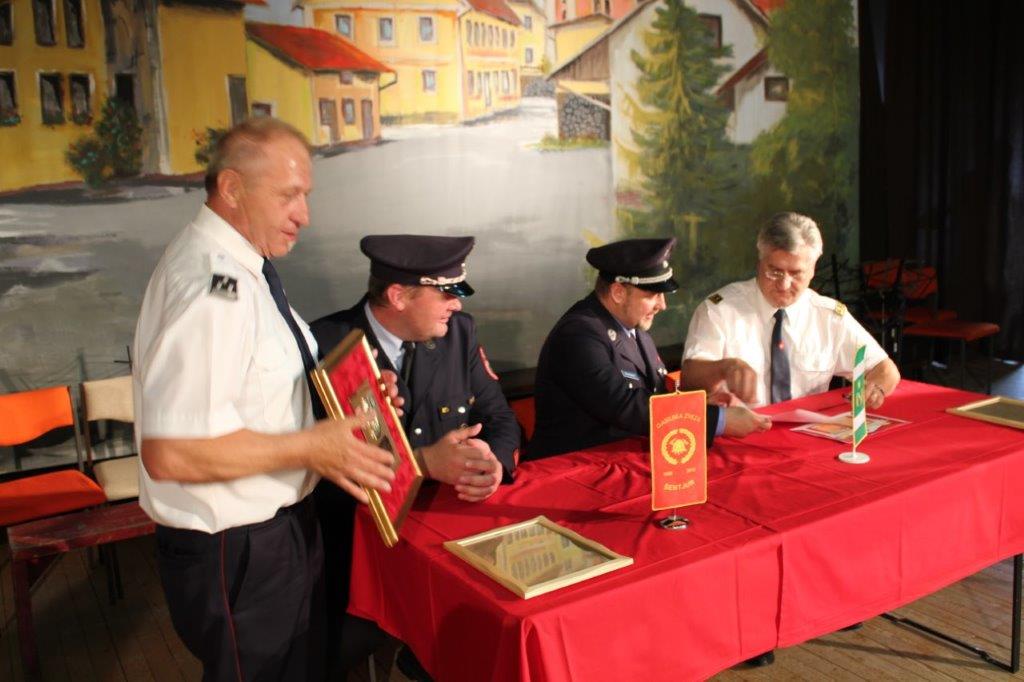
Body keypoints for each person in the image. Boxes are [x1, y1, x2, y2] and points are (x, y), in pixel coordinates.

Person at [132, 118, 397, 681]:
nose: (304, 215)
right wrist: (313, 447)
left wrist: (354, 405)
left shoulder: (244, 269)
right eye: (288, 195)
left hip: (276, 534)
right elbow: (172, 453)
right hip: (238, 550)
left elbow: (263, 393)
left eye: (306, 195)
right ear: (232, 188)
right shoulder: (212, 286)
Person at [310, 234, 520, 678]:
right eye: (446, 294)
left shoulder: (458, 333)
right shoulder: (327, 345)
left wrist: (493, 464)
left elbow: (500, 417)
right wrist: (422, 463)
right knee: (331, 659)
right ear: (398, 296)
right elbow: (324, 469)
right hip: (361, 553)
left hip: (445, 541)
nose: (456, 305)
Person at [526, 238, 770, 461]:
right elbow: (625, 406)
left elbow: (653, 395)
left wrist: (703, 403)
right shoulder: (579, 335)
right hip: (570, 469)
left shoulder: (633, 327)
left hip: (620, 460)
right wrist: (719, 421)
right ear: (618, 292)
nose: (662, 305)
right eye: (653, 295)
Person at [682, 212, 901, 408]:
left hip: (806, 433)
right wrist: (725, 368)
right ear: (759, 262)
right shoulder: (720, 310)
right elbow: (689, 380)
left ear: (813, 270)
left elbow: (884, 369)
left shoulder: (827, 317)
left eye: (796, 274)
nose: (784, 285)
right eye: (775, 272)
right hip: (741, 431)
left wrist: (876, 388)